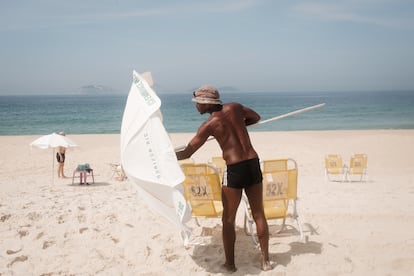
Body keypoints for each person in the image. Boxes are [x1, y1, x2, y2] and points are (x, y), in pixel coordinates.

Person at [175, 85, 272, 272]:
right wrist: (240, 125)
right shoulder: (235, 107)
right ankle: (266, 261)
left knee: (228, 219)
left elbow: (187, 152)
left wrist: (168, 155)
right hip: (253, 162)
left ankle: (230, 264)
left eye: (197, 103)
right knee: (259, 213)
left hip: (234, 168)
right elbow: (255, 117)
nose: (195, 107)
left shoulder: (209, 125)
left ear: (205, 104)